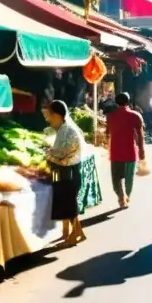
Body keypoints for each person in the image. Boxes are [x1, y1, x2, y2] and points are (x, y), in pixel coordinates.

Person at [44, 100, 87, 245]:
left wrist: (45, 153)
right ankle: (70, 232)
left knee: (68, 202)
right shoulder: (62, 130)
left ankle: (74, 235)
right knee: (62, 200)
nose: (48, 119)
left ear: (57, 115)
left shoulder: (67, 130)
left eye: (50, 115)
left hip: (68, 172)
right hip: (60, 172)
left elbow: (60, 154)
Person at [106, 92, 146, 209]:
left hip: (116, 152)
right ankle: (126, 196)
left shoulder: (110, 116)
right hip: (130, 151)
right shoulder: (136, 115)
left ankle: (121, 197)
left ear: (116, 102)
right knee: (129, 178)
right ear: (128, 102)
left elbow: (108, 132)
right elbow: (140, 134)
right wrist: (141, 150)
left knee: (116, 179)